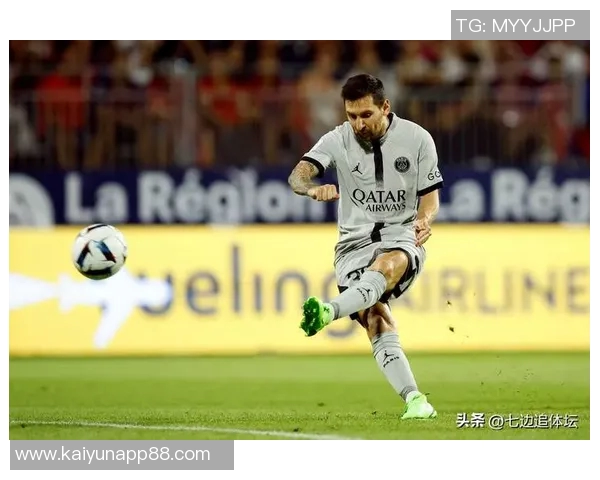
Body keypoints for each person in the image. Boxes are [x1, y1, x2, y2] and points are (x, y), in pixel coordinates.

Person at [287, 74, 442, 420]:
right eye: (352, 116)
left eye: (366, 115)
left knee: (387, 264)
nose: (358, 124)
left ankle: (328, 312)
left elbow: (430, 198)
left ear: (385, 107)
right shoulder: (337, 139)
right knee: (376, 319)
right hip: (352, 247)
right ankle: (416, 400)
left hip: (402, 237)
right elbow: (297, 175)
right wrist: (311, 189)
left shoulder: (417, 139)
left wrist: (424, 220)